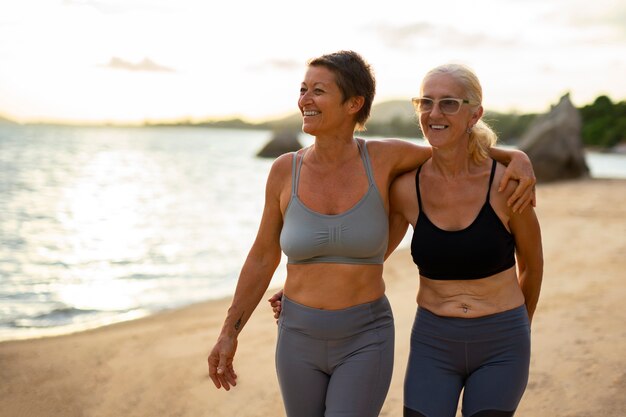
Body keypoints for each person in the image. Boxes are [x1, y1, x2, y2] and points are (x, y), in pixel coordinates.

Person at [208, 50, 536, 417]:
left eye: (318, 90)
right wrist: (229, 332)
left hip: (365, 335)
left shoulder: (384, 159)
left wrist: (515, 156)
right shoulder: (285, 171)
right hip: (296, 334)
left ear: (354, 104)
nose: (305, 100)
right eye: (303, 90)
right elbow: (262, 255)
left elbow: (452, 147)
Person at [386, 64, 543, 417]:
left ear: (475, 114)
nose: (434, 113)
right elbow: (369, 255)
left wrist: (519, 329)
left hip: (502, 341)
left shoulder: (506, 185)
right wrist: (306, 284)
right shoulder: (404, 189)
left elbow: (532, 266)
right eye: (425, 102)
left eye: (449, 103)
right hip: (433, 341)